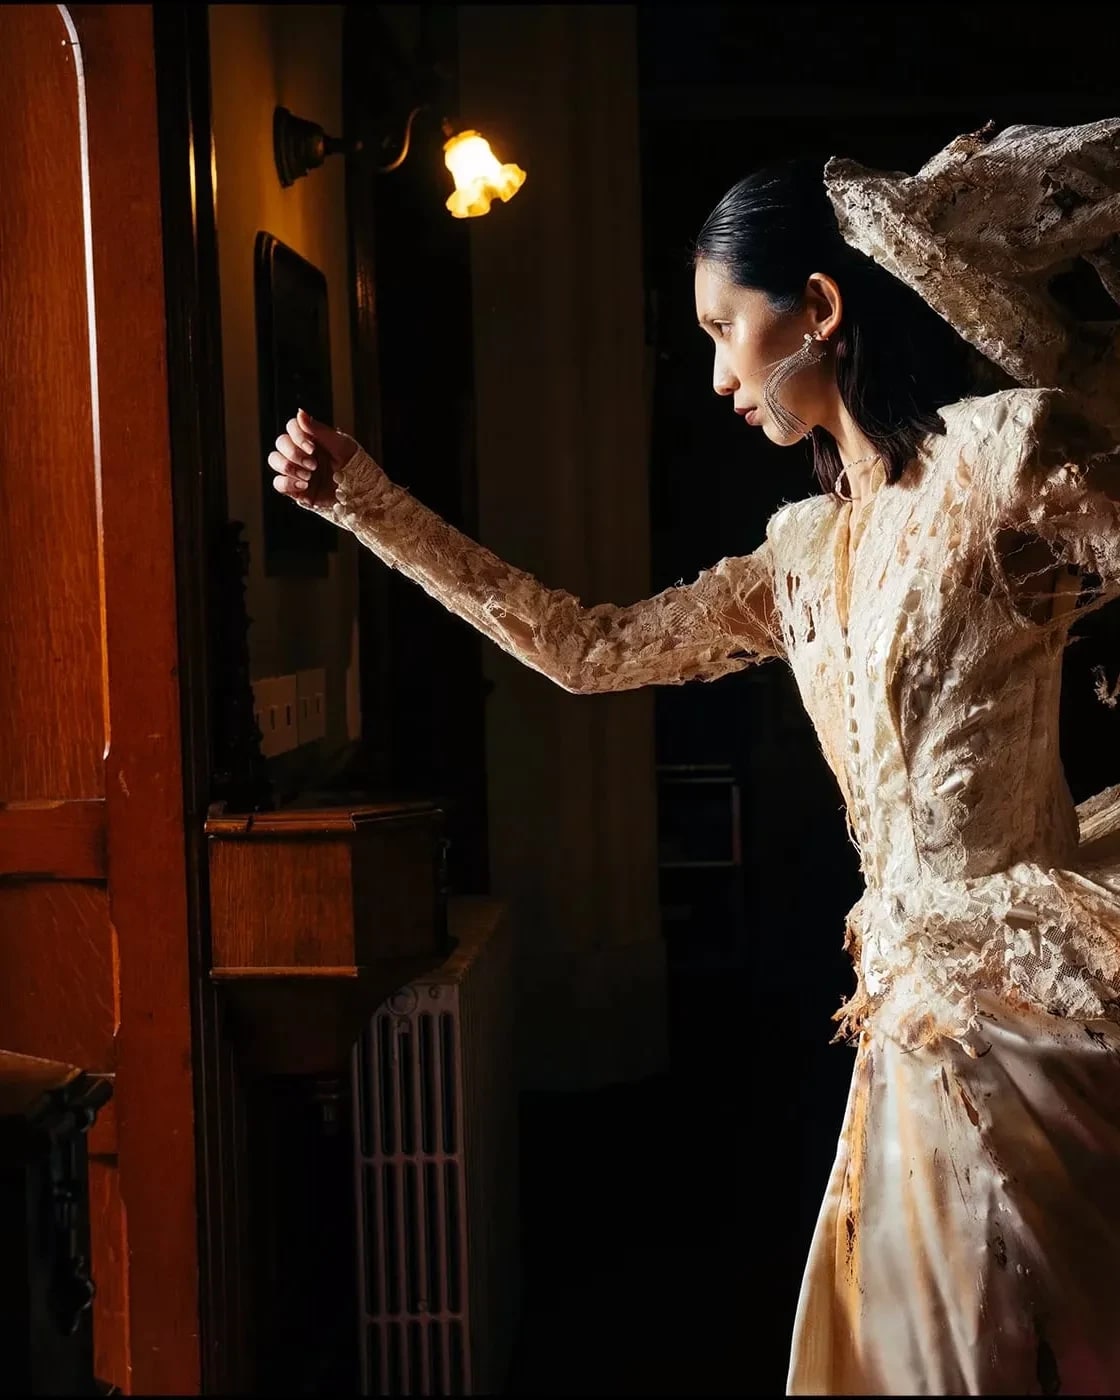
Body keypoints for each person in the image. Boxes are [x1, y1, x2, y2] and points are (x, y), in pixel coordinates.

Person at [268, 120, 1120, 1394]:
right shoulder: (794, 554)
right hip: (905, 1031)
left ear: (819, 308)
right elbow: (582, 648)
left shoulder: (1001, 456)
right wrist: (368, 504)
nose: (715, 368)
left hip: (1028, 1011)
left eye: (727, 327)